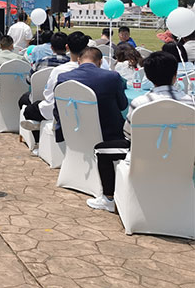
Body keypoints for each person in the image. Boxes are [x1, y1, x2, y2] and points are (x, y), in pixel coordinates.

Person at [85, 51, 193, 213]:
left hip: (144, 157)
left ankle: (109, 198)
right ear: (175, 75)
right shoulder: (190, 102)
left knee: (101, 150)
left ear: (147, 76)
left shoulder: (140, 102)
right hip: (183, 156)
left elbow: (128, 134)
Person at [53, 48, 128, 201]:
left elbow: (57, 110)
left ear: (78, 61)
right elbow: (122, 105)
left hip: (74, 132)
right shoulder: (112, 77)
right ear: (100, 62)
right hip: (108, 134)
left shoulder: (63, 78)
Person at [20, 31, 89, 142]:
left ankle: (37, 139)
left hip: (55, 108)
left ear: (67, 47)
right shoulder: (89, 69)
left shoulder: (55, 69)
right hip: (83, 109)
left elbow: (47, 93)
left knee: (28, 107)